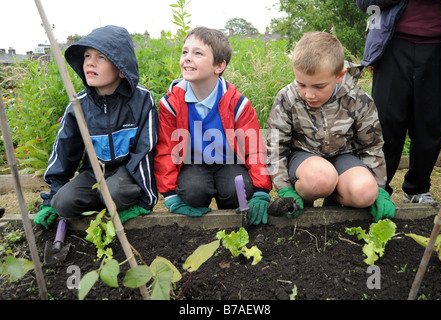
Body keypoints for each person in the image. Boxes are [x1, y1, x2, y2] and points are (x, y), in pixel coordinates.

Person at [34, 25, 158, 228]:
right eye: (87, 56)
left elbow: (146, 150)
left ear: (121, 68)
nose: (90, 62)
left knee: (115, 193)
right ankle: (104, 201)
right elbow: (65, 150)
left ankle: (113, 200)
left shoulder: (141, 100)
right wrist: (51, 199)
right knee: (63, 203)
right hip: (94, 171)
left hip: (128, 171)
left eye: (101, 57)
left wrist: (147, 199)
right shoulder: (78, 105)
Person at [266, 31, 394, 222]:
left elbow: (371, 147)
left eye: (319, 87)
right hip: (304, 161)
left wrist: (379, 189)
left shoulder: (358, 99)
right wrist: (285, 188)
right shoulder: (287, 98)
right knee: (321, 179)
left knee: (366, 192)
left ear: (339, 75)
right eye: (302, 84)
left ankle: (334, 200)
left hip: (343, 157)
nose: (309, 94)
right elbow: (276, 149)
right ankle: (299, 199)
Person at [155, 27, 272, 225]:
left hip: (228, 161)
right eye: (185, 52)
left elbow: (254, 148)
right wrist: (170, 195)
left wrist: (262, 191)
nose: (188, 58)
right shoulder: (171, 104)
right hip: (193, 163)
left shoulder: (237, 104)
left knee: (239, 190)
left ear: (219, 66)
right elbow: (166, 150)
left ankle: (230, 224)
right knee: (192, 192)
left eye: (198, 53)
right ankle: (199, 227)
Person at [355, 0, 441, 203]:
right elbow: (364, 3)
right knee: (386, 122)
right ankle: (377, 189)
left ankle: (417, 188)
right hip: (392, 46)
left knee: (432, 123)